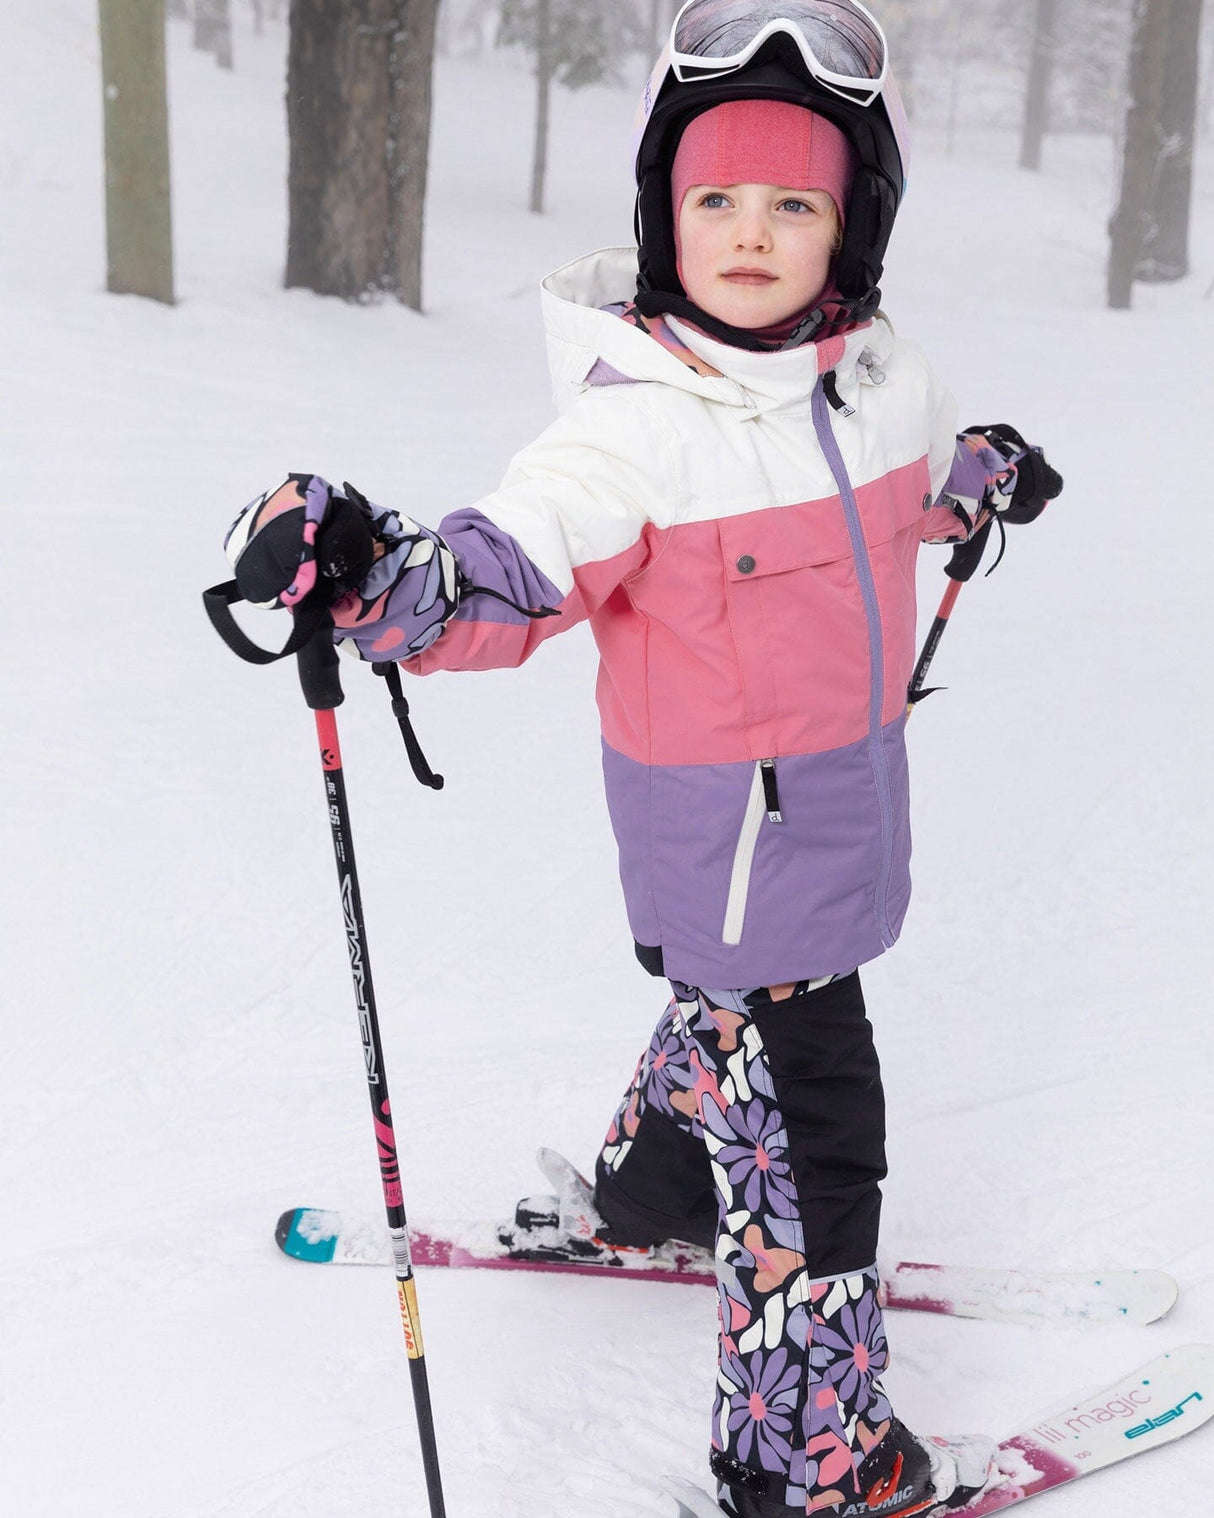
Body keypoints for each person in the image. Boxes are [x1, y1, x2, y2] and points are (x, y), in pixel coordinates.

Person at [223, 4, 1062, 1514]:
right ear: (665, 217)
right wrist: (367, 569)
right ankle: (806, 1460)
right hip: (736, 872)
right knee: (817, 1151)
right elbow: (497, 573)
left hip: (835, 834)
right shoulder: (630, 435)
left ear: (852, 226)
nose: (750, 233)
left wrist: (982, 474)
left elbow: (916, 488)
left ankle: (646, 1195)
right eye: (715, 197)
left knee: (719, 1031)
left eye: (793, 203)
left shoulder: (883, 378)